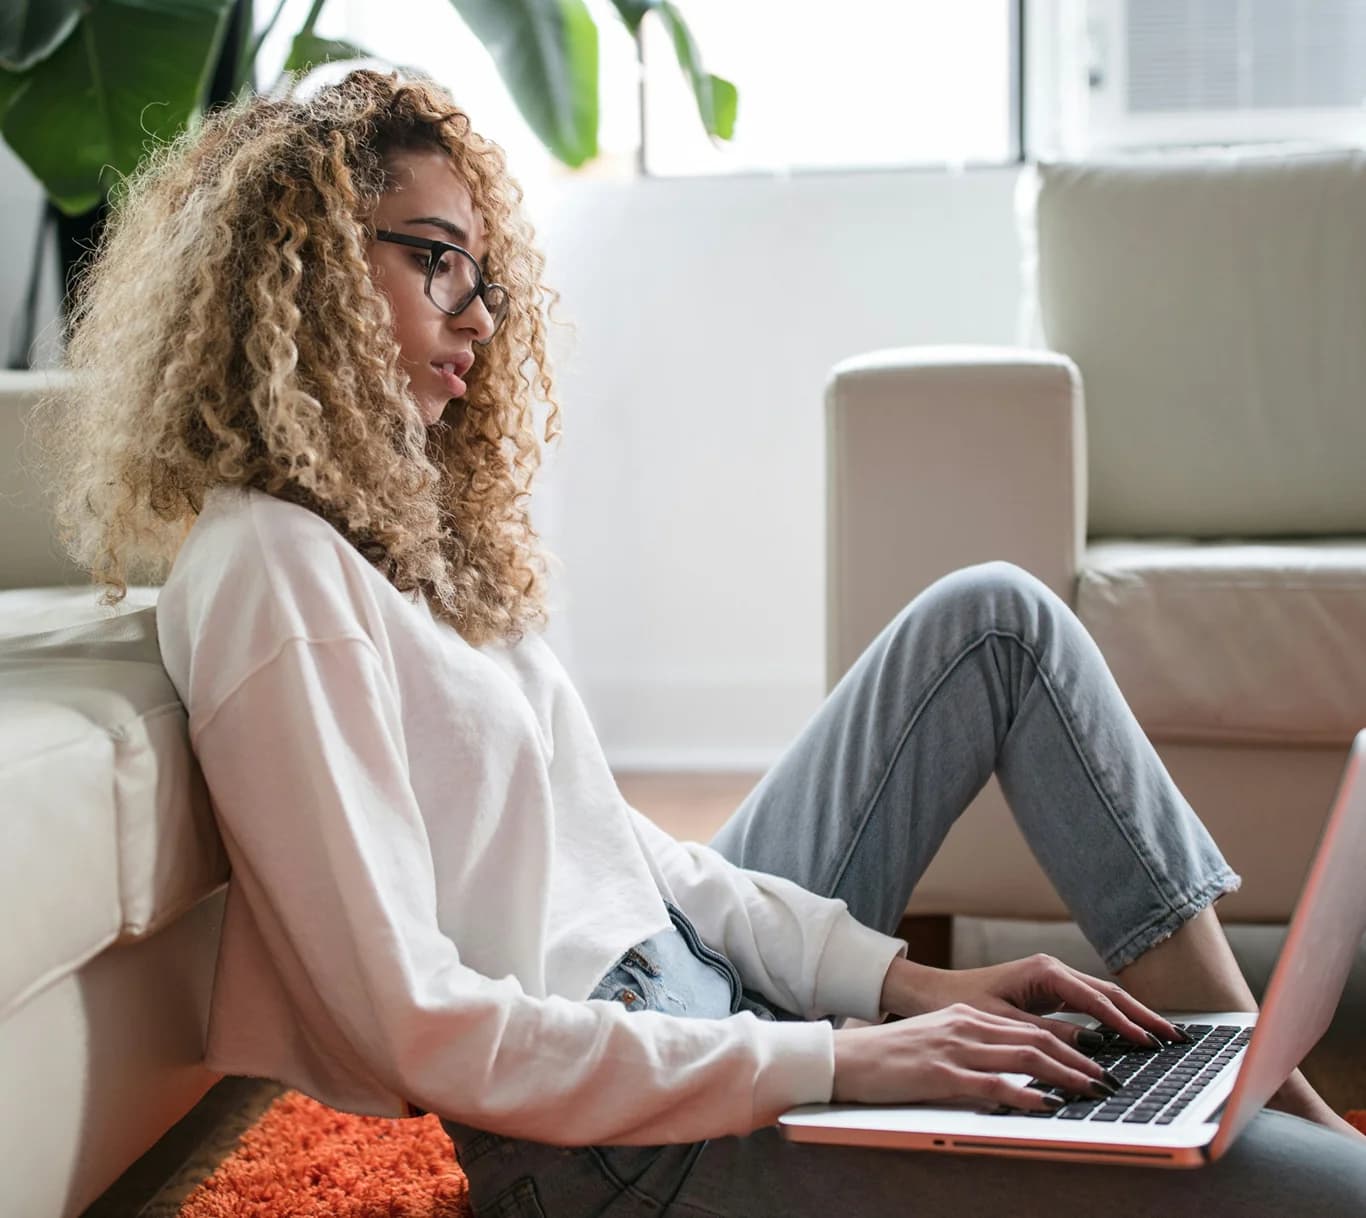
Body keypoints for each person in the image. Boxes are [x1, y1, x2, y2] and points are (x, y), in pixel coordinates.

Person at [30, 67, 1366, 1217]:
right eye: (431, 256)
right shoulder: (271, 567)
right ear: (302, 265)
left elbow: (630, 853)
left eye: (482, 274)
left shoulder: (402, 539)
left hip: (698, 1003)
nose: (477, 317)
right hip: (615, 1152)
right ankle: (1259, 1121)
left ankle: (1244, 1073)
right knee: (1329, 1195)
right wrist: (837, 1061)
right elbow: (413, 1020)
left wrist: (895, 982)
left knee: (992, 619)